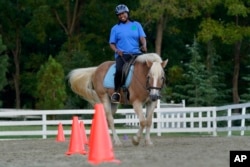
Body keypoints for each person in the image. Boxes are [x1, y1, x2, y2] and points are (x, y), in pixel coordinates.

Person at [109, 4, 147, 103]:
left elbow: (142, 37)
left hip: (137, 53)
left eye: (123, 13)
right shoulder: (115, 28)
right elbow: (112, 43)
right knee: (119, 70)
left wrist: (144, 45)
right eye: (119, 15)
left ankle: (150, 89)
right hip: (122, 54)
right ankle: (116, 92)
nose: (122, 16)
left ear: (127, 13)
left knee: (148, 66)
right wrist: (117, 50)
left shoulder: (136, 25)